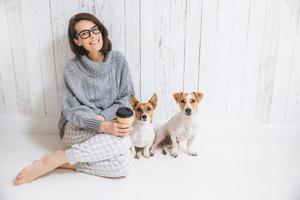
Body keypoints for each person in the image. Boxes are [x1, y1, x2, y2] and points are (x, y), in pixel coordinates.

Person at [14, 13, 134, 185]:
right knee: (122, 144)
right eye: (85, 33)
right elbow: (71, 110)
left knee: (123, 167)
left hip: (109, 124)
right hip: (77, 127)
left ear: (101, 30)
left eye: (95, 29)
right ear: (77, 40)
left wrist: (105, 119)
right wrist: (99, 124)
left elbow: (126, 98)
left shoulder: (119, 61)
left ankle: (61, 160)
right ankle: (52, 161)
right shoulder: (72, 70)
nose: (92, 36)